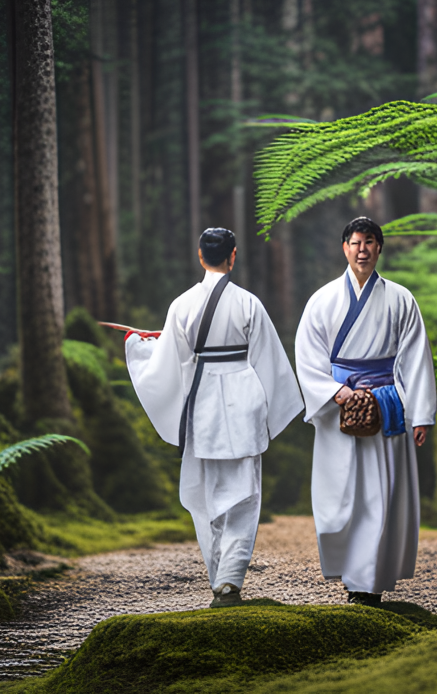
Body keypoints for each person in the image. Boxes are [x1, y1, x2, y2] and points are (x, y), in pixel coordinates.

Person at [125, 228, 304, 607]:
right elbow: (269, 360)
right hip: (243, 396)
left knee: (204, 494)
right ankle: (230, 577)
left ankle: (217, 574)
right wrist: (272, 410)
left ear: (200, 256)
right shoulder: (249, 303)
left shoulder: (182, 305)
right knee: (244, 490)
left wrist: (141, 348)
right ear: (232, 256)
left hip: (201, 400)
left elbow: (167, 363)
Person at [295, 216, 437, 606]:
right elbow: (307, 358)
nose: (362, 249)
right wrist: (336, 393)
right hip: (340, 404)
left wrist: (421, 413)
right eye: (356, 242)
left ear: (379, 248)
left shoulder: (401, 299)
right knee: (338, 497)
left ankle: (367, 585)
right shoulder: (322, 300)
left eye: (370, 242)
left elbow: (415, 358)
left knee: (380, 495)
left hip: (387, 403)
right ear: (345, 248)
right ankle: (349, 571)